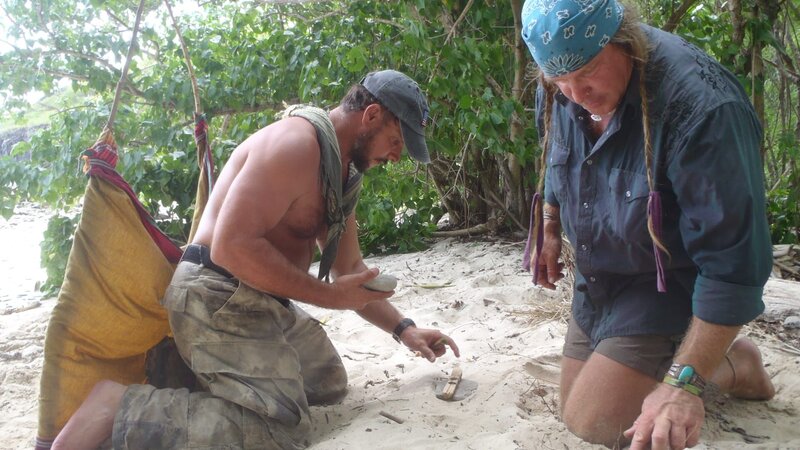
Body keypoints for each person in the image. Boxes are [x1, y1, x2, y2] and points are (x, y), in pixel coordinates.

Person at [51, 69, 460, 450]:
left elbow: (350, 272)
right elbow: (231, 248)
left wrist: (404, 329)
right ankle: (117, 405)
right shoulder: (296, 144)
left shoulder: (339, 172)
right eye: (395, 142)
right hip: (214, 296)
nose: (396, 157)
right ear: (371, 116)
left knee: (328, 381)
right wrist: (330, 297)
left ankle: (191, 373)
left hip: (261, 302)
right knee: (280, 429)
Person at [519, 1, 775, 448]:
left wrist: (683, 387)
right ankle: (706, 358)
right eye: (560, 82)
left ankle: (731, 365)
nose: (576, 95)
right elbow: (558, 152)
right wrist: (550, 224)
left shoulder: (704, 110)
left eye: (588, 72)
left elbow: (734, 268)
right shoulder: (562, 80)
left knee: (596, 424)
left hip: (668, 285)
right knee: (573, 408)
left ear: (626, 42)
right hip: (601, 277)